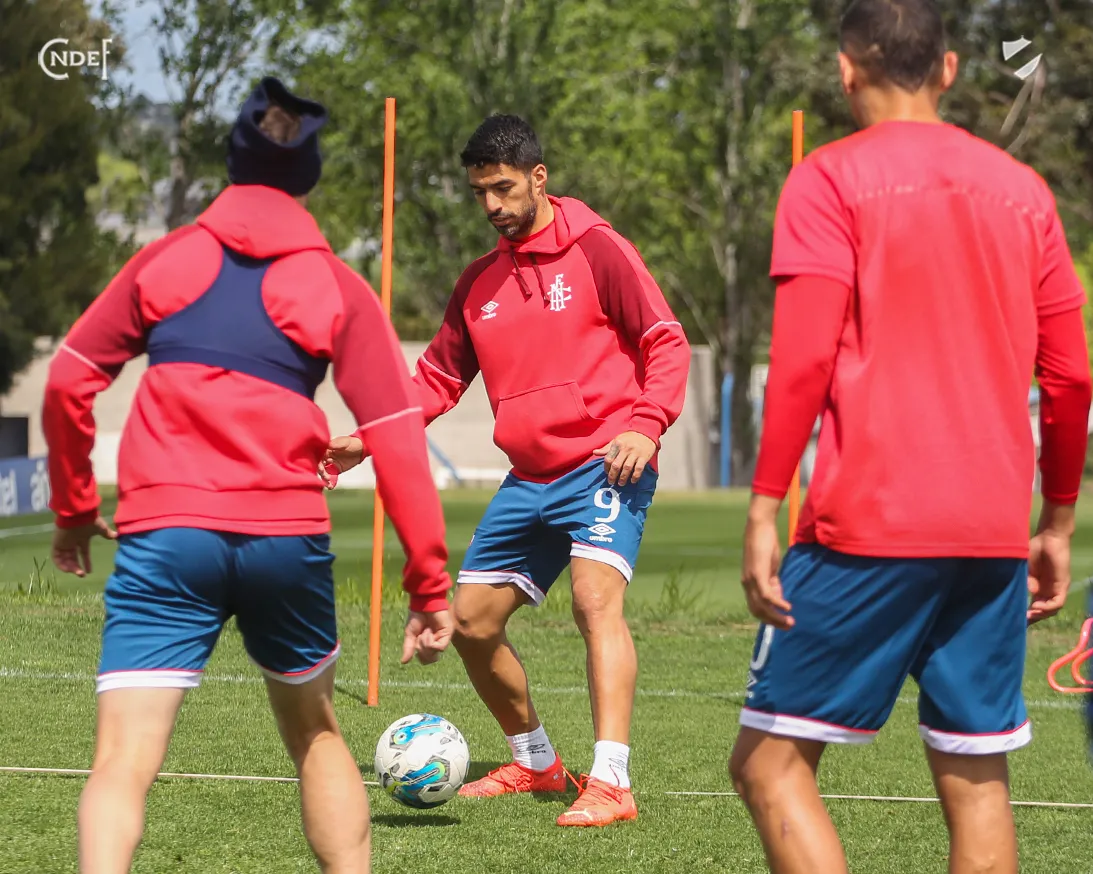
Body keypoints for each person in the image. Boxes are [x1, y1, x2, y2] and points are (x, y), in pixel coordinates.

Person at [43, 77, 454, 874]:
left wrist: (74, 509)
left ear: (231, 161)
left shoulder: (165, 259)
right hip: (284, 539)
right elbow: (397, 437)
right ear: (309, 175)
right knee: (317, 734)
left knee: (122, 760)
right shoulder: (337, 284)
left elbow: (66, 382)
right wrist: (428, 585)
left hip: (166, 536)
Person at [727, 1, 1092, 872]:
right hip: (991, 532)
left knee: (768, 765)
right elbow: (1071, 379)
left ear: (845, 70)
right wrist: (1055, 521)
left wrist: (764, 507)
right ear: (948, 69)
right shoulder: (1025, 191)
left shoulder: (825, 178)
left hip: (868, 524)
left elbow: (804, 360)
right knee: (976, 780)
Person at [323, 114, 691, 826]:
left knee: (594, 603)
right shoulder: (477, 283)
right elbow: (435, 380)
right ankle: (536, 762)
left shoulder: (598, 249)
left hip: (605, 463)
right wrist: (367, 440)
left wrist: (645, 425)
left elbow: (665, 341)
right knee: (470, 623)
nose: (491, 204)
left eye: (503, 188)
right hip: (529, 477)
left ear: (537, 178)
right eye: (479, 193)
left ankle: (611, 783)